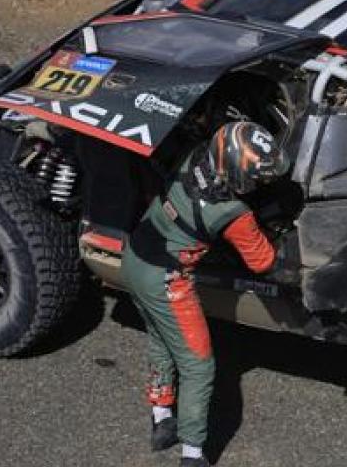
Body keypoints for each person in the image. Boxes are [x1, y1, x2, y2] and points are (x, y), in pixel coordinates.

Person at [121, 121, 289, 467]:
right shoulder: (234, 214)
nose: (260, 183)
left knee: (160, 336)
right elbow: (262, 261)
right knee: (198, 366)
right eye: (256, 178)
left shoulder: (193, 155)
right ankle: (193, 454)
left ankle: (161, 416)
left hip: (134, 255)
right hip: (165, 279)